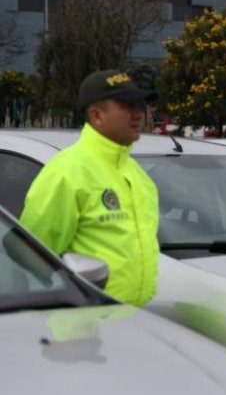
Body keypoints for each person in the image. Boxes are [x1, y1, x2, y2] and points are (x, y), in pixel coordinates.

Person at [20, 70, 160, 307]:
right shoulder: (67, 172)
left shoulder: (138, 176)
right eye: (127, 106)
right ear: (96, 115)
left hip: (133, 321)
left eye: (139, 105)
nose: (138, 114)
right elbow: (31, 259)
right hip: (82, 324)